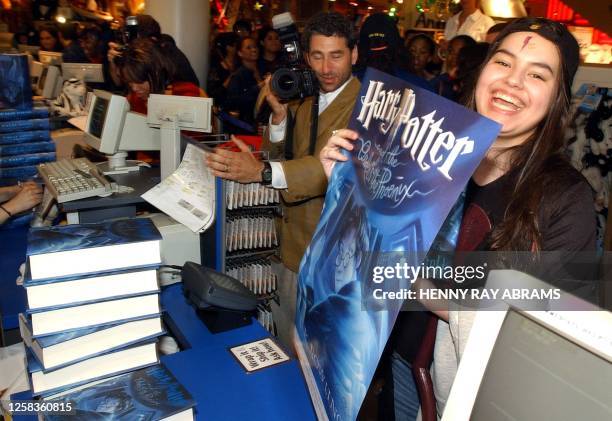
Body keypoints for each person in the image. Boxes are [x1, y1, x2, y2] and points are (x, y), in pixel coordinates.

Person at [319, 17, 595, 418]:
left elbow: (556, 334)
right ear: (481, 71)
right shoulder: (421, 154)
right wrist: (350, 194)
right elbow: (369, 253)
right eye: (503, 62)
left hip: (473, 390)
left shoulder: (566, 199)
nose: (513, 81)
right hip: (396, 356)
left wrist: (417, 284)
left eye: (537, 74)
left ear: (557, 98)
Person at [206, 12, 360, 350]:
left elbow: (328, 169)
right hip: (289, 246)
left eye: (336, 55)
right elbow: (288, 152)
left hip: (327, 258)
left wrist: (260, 172)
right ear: (306, 57)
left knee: (318, 355)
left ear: (354, 55)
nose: (326, 67)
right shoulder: (308, 95)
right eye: (317, 56)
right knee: (287, 344)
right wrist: (278, 117)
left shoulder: (364, 108)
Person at [225, 36, 262, 133]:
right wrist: (258, 87)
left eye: (255, 47)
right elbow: (232, 102)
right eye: (248, 48)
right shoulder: (238, 76)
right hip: (245, 128)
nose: (254, 50)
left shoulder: (262, 70)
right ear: (240, 53)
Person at [207, 32, 238, 108]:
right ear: (228, 47)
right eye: (236, 45)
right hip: (222, 107)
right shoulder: (216, 67)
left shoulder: (240, 64)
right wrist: (229, 79)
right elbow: (213, 94)